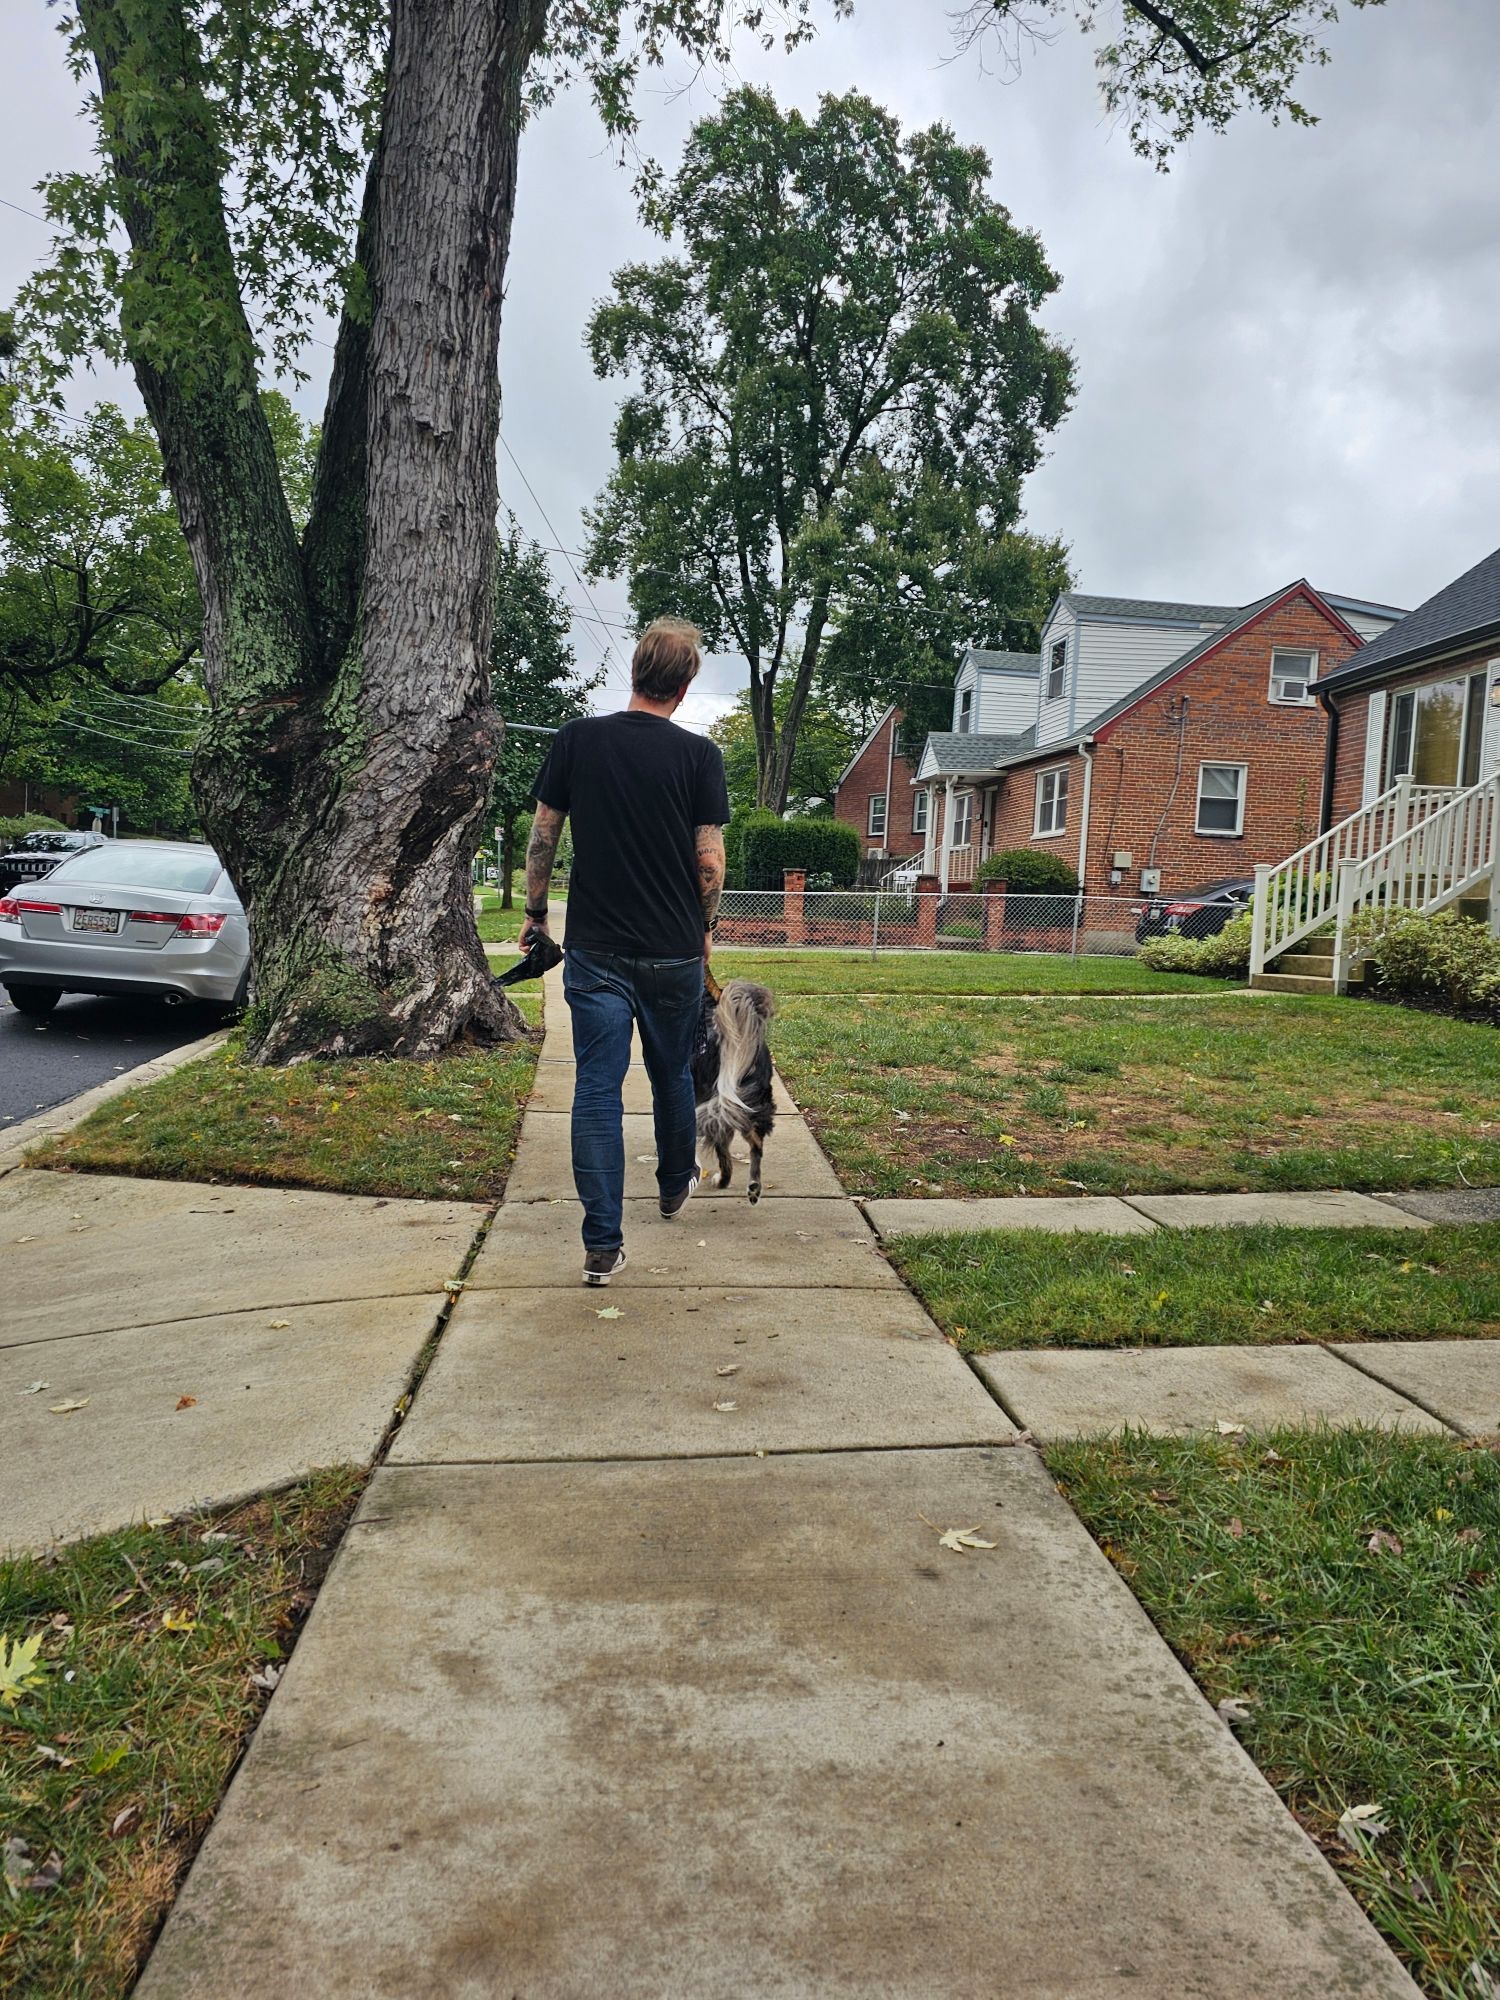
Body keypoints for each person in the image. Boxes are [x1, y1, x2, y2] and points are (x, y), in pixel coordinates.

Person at [520, 618, 729, 1285]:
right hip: (672, 952)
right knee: (670, 1074)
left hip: (595, 951)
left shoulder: (578, 740)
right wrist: (703, 932)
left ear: (635, 671)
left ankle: (602, 1244)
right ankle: (673, 1185)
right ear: (685, 685)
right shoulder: (700, 757)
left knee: (597, 1089)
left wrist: (534, 913)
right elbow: (710, 860)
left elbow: (543, 835)